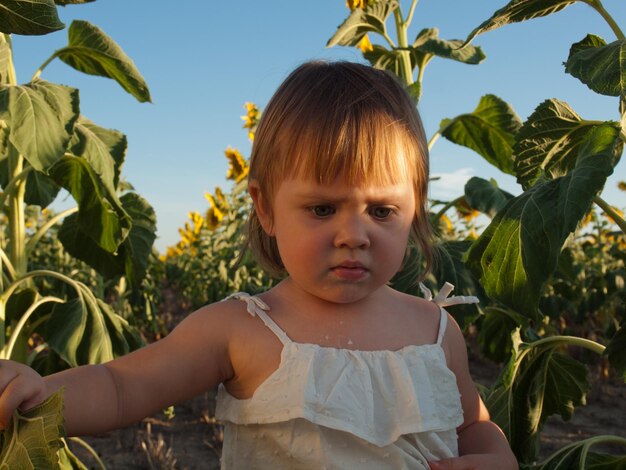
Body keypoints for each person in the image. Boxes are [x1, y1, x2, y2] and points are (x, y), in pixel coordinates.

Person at [0, 61, 517, 470]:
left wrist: (495, 453)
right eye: (322, 208)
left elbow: (471, 422)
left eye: (382, 211)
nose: (354, 236)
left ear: (416, 210)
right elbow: (121, 387)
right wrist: (41, 393)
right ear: (265, 207)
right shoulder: (241, 329)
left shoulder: (434, 329)